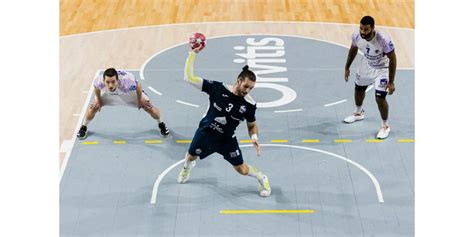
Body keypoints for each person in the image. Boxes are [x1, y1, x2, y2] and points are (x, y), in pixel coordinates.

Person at [177, 44, 271, 197]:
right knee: (190, 156)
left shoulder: (249, 104)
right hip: (205, 133)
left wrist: (254, 137)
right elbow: (189, 78)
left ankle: (262, 178)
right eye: (246, 86)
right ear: (239, 80)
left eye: (251, 88)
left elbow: (252, 125)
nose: (247, 90)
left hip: (226, 140)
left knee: (241, 169)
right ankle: (186, 169)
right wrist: (192, 54)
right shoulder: (217, 89)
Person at [76, 68, 170, 139]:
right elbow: (96, 88)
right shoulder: (99, 81)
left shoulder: (126, 82)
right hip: (108, 95)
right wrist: (99, 100)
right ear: (103, 80)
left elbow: (138, 86)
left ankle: (161, 124)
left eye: (113, 82)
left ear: (118, 80)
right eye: (107, 82)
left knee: (149, 107)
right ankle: (84, 127)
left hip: (128, 94)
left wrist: (140, 99)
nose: (110, 85)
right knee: (93, 107)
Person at [343, 15, 397, 139]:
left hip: (382, 69)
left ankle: (385, 126)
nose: (362, 32)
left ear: (373, 28)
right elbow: (353, 49)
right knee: (358, 89)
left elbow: (393, 59)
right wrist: (347, 67)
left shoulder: (383, 39)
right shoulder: (356, 36)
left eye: (366, 29)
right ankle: (358, 113)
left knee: (379, 98)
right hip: (366, 65)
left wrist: (391, 82)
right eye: (361, 28)